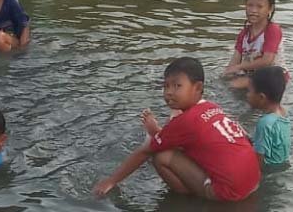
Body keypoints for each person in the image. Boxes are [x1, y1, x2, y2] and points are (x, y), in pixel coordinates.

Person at [93, 57, 261, 202]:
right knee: (180, 146)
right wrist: (159, 132)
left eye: (177, 86)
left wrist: (111, 181)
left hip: (229, 193)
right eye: (166, 86)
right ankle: (160, 137)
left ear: (197, 87)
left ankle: (186, 197)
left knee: (161, 156)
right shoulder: (212, 107)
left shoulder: (186, 120)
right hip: (253, 181)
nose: (169, 93)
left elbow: (145, 152)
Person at [224, 0, 284, 89]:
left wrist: (239, 67)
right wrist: (228, 73)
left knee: (234, 86)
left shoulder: (272, 30)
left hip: (274, 78)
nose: (253, 10)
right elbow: (234, 60)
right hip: (254, 76)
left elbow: (267, 60)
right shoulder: (244, 34)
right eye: (250, 5)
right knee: (225, 83)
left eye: (259, 6)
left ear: (270, 8)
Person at [247, 66, 291, 166]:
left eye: (249, 91)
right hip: (283, 163)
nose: (247, 95)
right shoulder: (283, 112)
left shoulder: (264, 123)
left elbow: (258, 161)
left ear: (261, 97)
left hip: (268, 170)